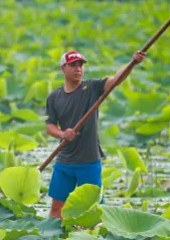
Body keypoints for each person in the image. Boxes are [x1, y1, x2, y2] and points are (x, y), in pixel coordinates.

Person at [45, 50, 146, 219]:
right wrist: (63, 134)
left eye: (81, 65)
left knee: (95, 210)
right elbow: (50, 126)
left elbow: (116, 80)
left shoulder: (92, 87)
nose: (78, 69)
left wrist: (132, 63)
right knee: (57, 209)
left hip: (89, 160)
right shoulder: (54, 96)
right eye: (73, 65)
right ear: (63, 68)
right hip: (64, 161)